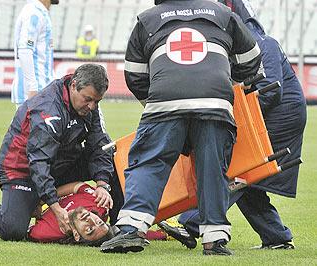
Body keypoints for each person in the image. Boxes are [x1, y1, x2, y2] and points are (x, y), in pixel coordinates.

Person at [100, 0, 261, 255]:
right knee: (212, 168)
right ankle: (214, 240)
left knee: (149, 163)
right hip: (215, 102)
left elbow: (135, 75)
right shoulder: (222, 13)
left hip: (165, 101)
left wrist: (156, 103)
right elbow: (252, 58)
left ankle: (131, 229)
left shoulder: (147, 19)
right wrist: (230, 85)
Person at [159, 0, 307, 251]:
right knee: (250, 178)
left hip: (280, 117)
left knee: (240, 171)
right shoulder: (249, 42)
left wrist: (229, 120)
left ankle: (192, 224)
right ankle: (277, 238)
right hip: (273, 115)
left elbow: (270, 92)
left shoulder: (261, 43)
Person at [0, 64, 115, 242]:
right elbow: (39, 162)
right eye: (88, 99)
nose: (92, 106)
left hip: (60, 165)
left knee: (114, 157)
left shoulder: (89, 106)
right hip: (22, 171)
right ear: (73, 85)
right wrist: (54, 207)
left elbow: (100, 144)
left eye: (97, 101)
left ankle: (119, 226)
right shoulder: (49, 109)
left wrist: (102, 184)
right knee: (13, 230)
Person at [28, 181, 115, 246]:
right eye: (99, 222)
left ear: (76, 235)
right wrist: (44, 199)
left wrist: (29, 209)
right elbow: (77, 186)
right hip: (57, 179)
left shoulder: (44, 233)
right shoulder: (100, 202)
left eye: (89, 229)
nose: (90, 219)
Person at [11, 0, 59, 109]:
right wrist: (32, 87)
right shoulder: (34, 13)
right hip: (35, 91)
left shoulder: (40, 12)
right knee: (29, 126)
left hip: (43, 89)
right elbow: (24, 50)